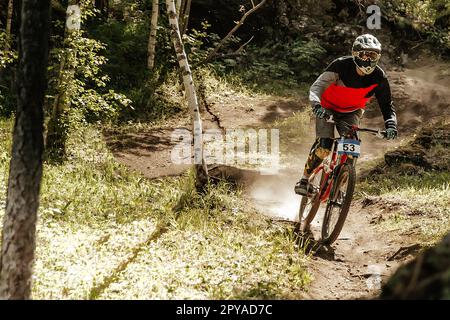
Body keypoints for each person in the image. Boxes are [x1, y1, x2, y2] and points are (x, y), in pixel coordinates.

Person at [294, 34, 398, 196]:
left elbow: (387, 105)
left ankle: (339, 186)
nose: (369, 59)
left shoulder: (379, 76)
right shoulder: (341, 66)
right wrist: (316, 105)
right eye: (365, 54)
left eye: (373, 55)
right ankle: (304, 179)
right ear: (356, 54)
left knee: (351, 151)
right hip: (327, 109)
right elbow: (317, 87)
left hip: (352, 112)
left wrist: (391, 124)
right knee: (324, 147)